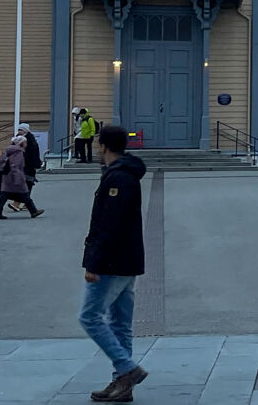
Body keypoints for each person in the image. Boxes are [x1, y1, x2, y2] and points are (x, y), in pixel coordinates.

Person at [81, 123, 148, 402]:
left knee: (89, 317)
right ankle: (122, 384)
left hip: (113, 262)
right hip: (126, 260)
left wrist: (93, 262)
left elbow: (110, 224)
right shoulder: (122, 174)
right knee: (120, 323)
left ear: (103, 146)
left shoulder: (119, 179)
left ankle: (127, 369)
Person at [0, 133, 43, 219]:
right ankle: (33, 211)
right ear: (21, 143)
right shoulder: (18, 152)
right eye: (25, 142)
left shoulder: (8, 150)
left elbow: (1, 162)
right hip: (15, 177)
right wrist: (18, 179)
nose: (26, 144)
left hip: (7, 176)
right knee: (25, 195)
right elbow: (15, 166)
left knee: (3, 196)